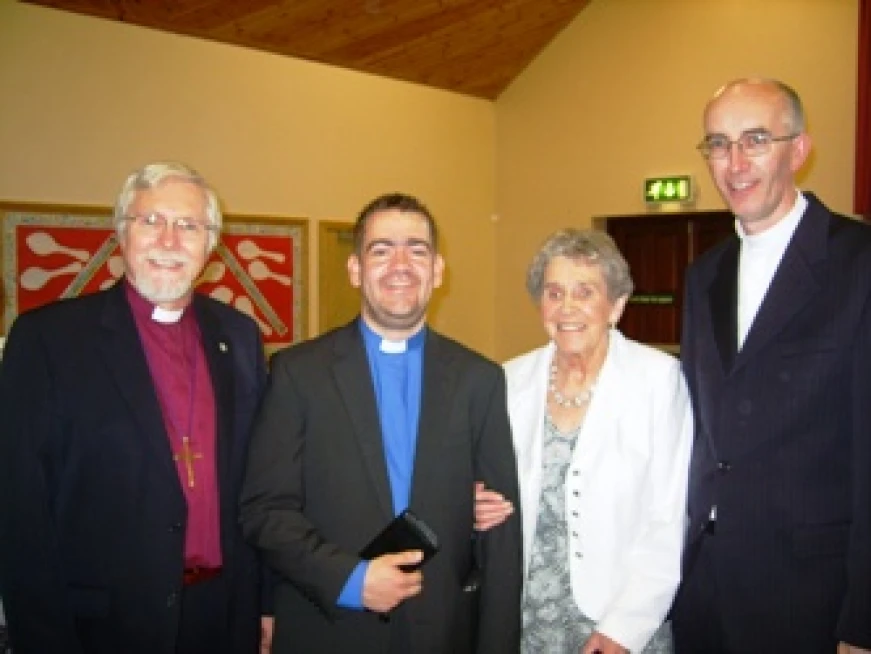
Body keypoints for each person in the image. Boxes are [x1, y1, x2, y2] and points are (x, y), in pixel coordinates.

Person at [0, 162, 271, 654]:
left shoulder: (239, 335)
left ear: (210, 245)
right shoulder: (49, 340)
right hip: (102, 625)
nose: (169, 241)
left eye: (188, 226)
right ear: (121, 233)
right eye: (151, 221)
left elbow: (260, 483)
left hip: (222, 615)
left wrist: (265, 606)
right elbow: (19, 512)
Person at [239, 192, 523, 654]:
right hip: (329, 629)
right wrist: (350, 578)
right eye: (381, 249)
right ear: (355, 270)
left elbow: (500, 536)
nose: (401, 264)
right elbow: (264, 511)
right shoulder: (298, 373)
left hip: (442, 631)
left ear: (437, 270)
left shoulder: (480, 379)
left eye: (417, 249)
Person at [670, 78, 871, 654]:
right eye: (717, 143)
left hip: (812, 599)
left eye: (755, 139)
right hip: (705, 591)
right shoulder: (702, 274)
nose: (734, 162)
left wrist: (863, 624)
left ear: (799, 149)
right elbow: (699, 430)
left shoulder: (858, 265)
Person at [478, 229, 692, 654]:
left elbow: (671, 517)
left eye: (585, 292)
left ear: (616, 305)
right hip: (526, 616)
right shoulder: (507, 380)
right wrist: (473, 504)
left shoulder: (658, 380)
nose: (567, 307)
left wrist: (624, 628)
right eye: (554, 293)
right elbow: (481, 482)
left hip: (622, 620)